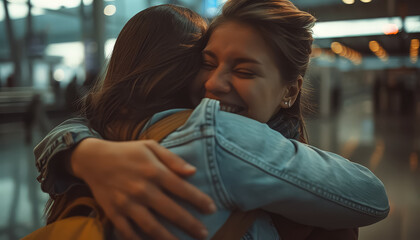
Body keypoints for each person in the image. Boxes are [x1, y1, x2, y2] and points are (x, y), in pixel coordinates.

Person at [34, 1, 389, 240]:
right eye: (206, 62)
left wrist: (82, 152)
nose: (211, 83)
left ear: (289, 91)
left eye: (244, 70)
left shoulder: (109, 132)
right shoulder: (217, 134)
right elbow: (373, 197)